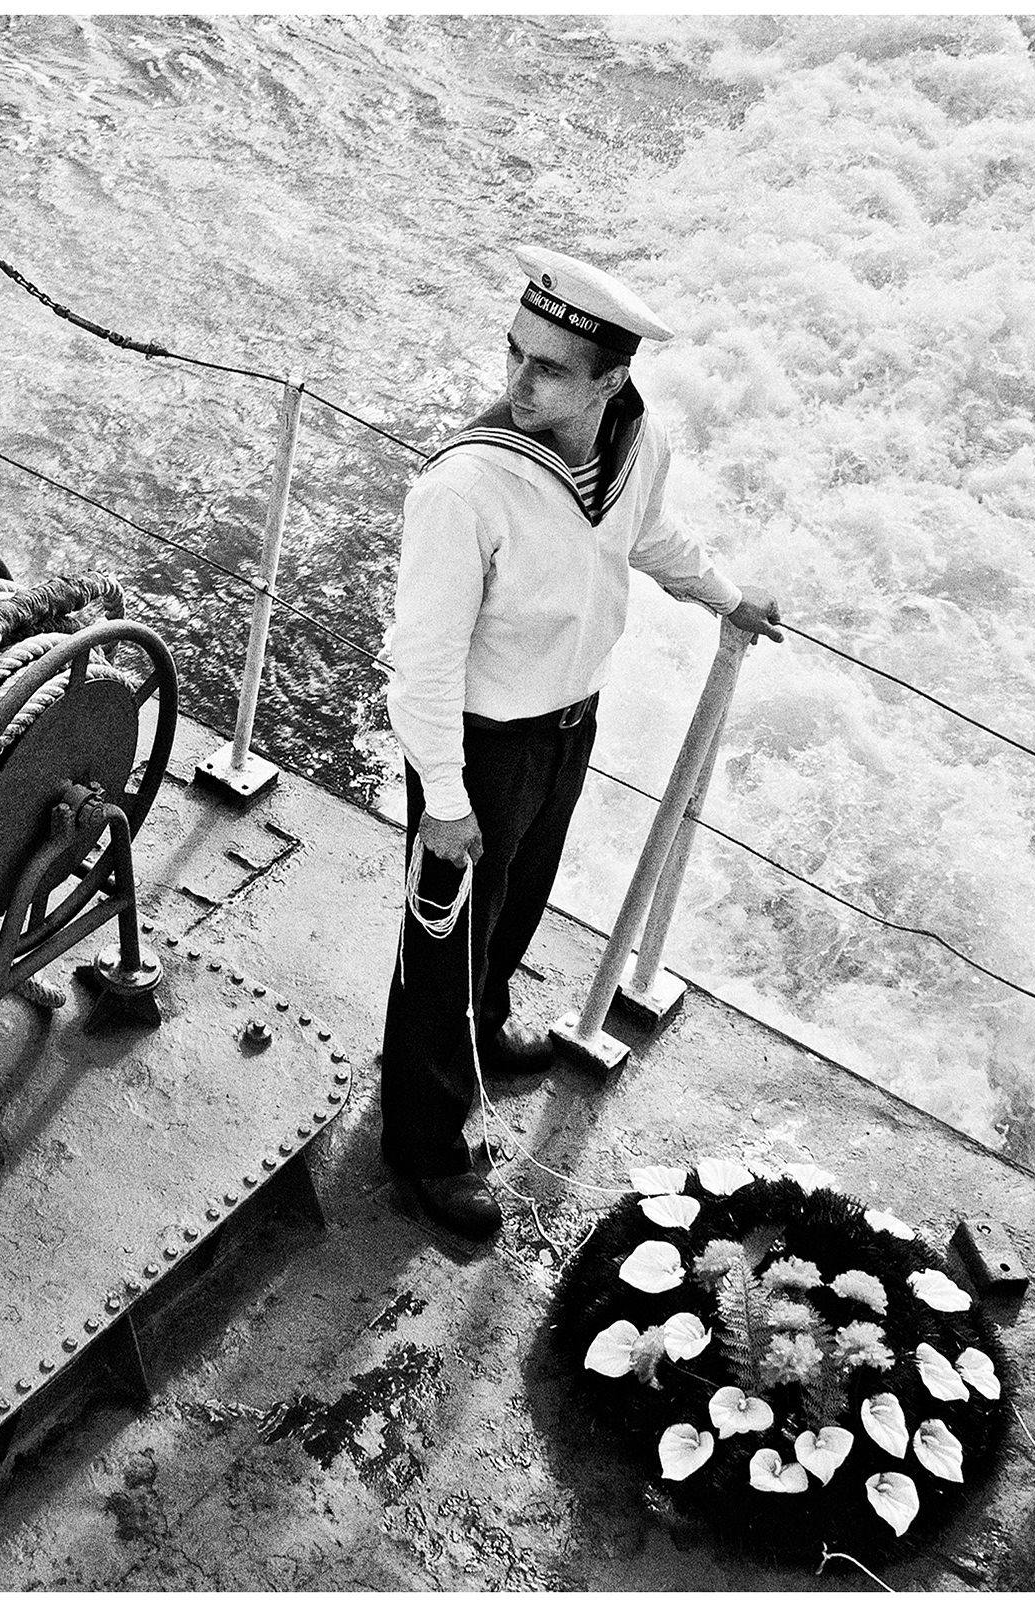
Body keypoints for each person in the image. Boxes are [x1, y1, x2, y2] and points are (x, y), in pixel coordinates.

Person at [379, 245, 784, 1242]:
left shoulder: (633, 445)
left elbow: (645, 536)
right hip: (475, 746)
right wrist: (443, 795)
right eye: (514, 354)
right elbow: (420, 661)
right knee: (445, 948)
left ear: (610, 381)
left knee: (515, 903)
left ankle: (484, 1026)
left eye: (548, 367)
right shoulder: (466, 488)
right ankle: (423, 1142)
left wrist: (727, 596)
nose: (516, 382)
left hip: (566, 727)